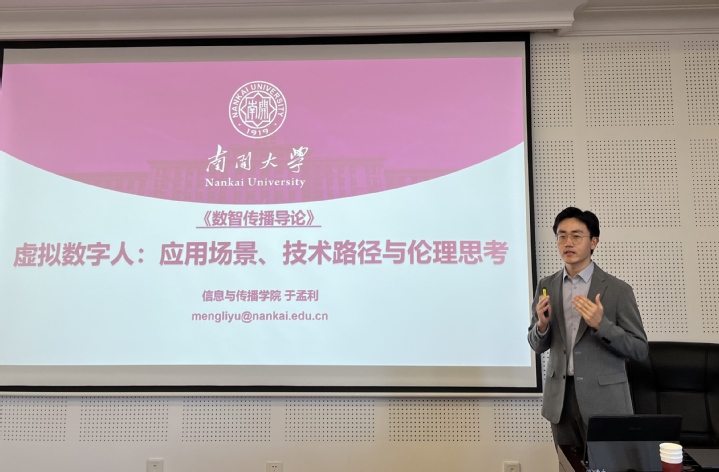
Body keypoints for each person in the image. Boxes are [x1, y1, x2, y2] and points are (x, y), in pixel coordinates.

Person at [527, 207, 648, 453]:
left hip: (605, 401)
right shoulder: (546, 286)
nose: (567, 242)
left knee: (609, 466)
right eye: (561, 236)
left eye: (576, 236)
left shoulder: (617, 289)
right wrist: (541, 325)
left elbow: (639, 349)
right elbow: (537, 345)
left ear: (594, 242)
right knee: (568, 466)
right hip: (561, 401)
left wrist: (601, 325)